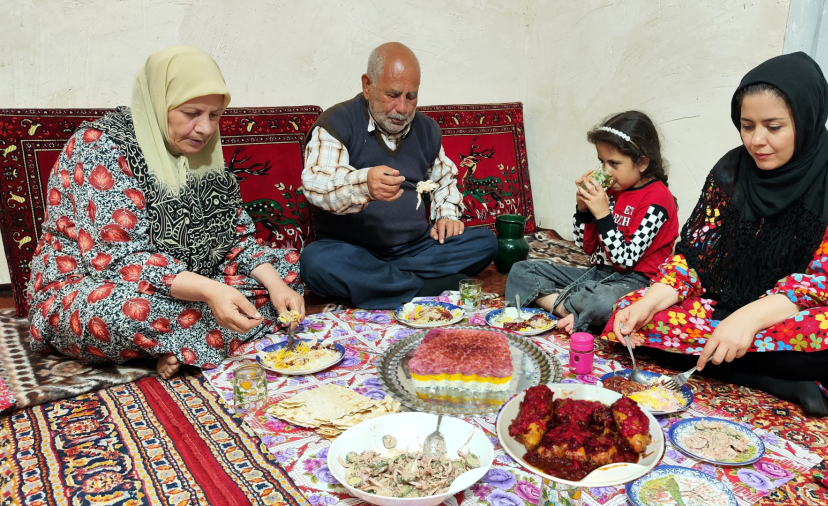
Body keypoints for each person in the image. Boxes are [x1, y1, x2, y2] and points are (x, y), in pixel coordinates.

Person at [608, 52, 828, 417]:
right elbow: (694, 257)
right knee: (628, 314)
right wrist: (651, 301)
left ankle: (734, 363)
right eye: (747, 126)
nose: (757, 140)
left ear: (806, 118)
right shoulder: (731, 170)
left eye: (774, 126)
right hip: (723, 302)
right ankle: (772, 379)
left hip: (789, 312)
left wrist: (747, 321)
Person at [27, 46, 305, 380]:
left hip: (190, 281)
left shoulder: (204, 151)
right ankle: (193, 340)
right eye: (191, 113)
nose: (204, 128)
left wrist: (277, 288)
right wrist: (211, 292)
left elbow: (238, 240)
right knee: (124, 313)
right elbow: (119, 261)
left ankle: (174, 347)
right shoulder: (102, 146)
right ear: (160, 104)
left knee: (289, 271)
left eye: (214, 115)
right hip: (96, 287)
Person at [298, 42, 497, 309]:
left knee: (485, 242)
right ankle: (421, 288)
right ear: (367, 85)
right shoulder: (337, 122)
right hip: (354, 252)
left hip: (415, 250)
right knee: (315, 263)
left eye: (410, 96)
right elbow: (316, 186)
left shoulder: (426, 129)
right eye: (392, 94)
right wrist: (364, 184)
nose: (402, 108)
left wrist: (447, 216)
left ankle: (385, 285)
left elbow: (443, 180)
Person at [505, 111, 679, 334]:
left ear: (643, 162)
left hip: (636, 282)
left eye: (614, 163)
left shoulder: (657, 199)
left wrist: (604, 215)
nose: (606, 171)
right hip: (598, 272)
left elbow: (625, 261)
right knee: (521, 269)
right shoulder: (614, 189)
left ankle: (565, 304)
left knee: (601, 300)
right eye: (602, 162)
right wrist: (584, 210)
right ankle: (570, 310)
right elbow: (584, 246)